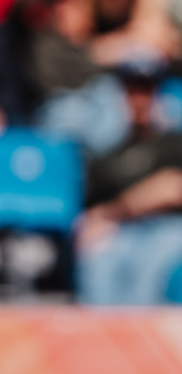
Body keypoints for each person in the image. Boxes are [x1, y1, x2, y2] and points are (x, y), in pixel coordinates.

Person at [76, 59, 182, 304]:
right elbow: (92, 210)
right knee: (98, 260)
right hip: (123, 231)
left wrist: (115, 210)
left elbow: (172, 188)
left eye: (147, 89)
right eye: (133, 89)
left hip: (170, 227)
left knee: (148, 269)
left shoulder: (174, 143)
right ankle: (100, 337)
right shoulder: (108, 155)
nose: (140, 98)